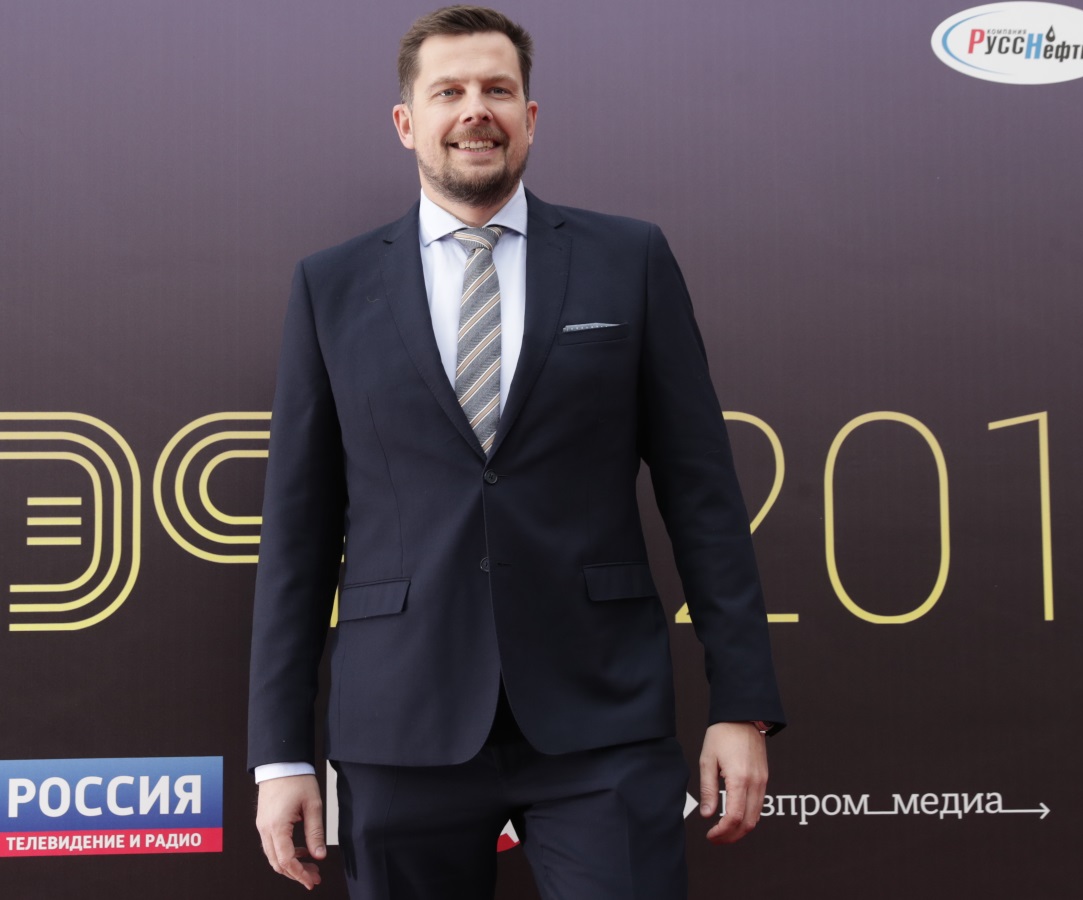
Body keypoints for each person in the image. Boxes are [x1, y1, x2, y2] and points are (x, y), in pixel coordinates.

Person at [248, 6, 785, 898]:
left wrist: (742, 705)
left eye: (498, 90)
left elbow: (705, 500)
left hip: (600, 715)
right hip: (402, 725)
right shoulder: (330, 286)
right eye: (449, 91)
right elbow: (296, 537)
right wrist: (278, 755)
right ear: (406, 122)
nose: (476, 110)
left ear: (530, 117)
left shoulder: (629, 259)